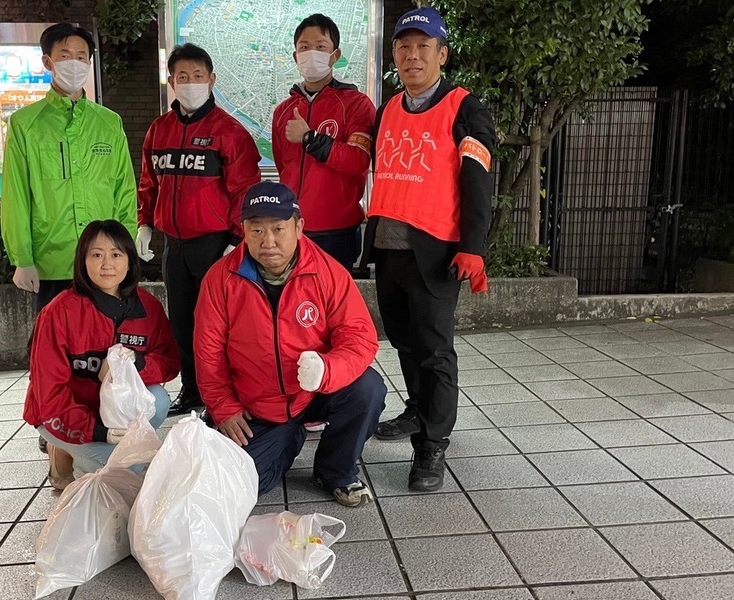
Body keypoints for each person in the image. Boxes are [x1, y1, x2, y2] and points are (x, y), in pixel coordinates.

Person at [362, 7, 495, 492]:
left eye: (423, 47)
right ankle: (418, 411)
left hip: (435, 251)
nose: (412, 55)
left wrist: (474, 247)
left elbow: (478, 182)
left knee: (435, 351)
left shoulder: (464, 108)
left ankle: (432, 446)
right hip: (388, 247)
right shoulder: (389, 108)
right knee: (402, 339)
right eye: (403, 47)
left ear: (441, 54)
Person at [194, 181, 386, 508]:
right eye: (256, 231)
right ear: (243, 230)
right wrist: (223, 407)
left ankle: (336, 471)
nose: (267, 241)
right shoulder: (220, 279)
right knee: (245, 487)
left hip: (314, 391)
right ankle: (288, 437)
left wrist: (327, 370)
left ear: (299, 228)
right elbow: (208, 352)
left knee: (368, 388)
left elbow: (360, 337)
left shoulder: (328, 272)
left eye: (278, 229)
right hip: (259, 402)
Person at [136, 43, 261, 416]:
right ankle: (192, 392)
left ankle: (221, 396)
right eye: (182, 77)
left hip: (214, 243)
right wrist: (144, 224)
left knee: (218, 325)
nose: (190, 83)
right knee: (183, 323)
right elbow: (148, 183)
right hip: (174, 244)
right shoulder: (159, 130)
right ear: (171, 81)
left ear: (212, 80)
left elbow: (245, 189)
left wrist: (237, 239)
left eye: (198, 76)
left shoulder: (230, 132)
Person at [24, 220, 179, 489]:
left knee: (159, 399)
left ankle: (94, 455)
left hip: (116, 414)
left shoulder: (148, 307)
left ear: (130, 261)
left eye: (116, 255)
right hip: (66, 416)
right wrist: (97, 432)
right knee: (120, 474)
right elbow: (48, 392)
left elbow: (169, 362)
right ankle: (62, 451)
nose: (107, 264)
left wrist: (137, 364)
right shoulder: (59, 313)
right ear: (82, 261)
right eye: (96, 255)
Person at [1, 22, 138, 315]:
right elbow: (16, 195)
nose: (73, 63)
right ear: (47, 62)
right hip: (52, 259)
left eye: (80, 56)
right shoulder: (26, 124)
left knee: (108, 347)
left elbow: (124, 190)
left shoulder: (108, 122)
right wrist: (22, 258)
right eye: (64, 55)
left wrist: (126, 252)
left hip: (105, 262)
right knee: (55, 346)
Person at [272, 13, 375, 271]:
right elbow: (283, 167)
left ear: (335, 55)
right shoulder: (283, 111)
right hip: (291, 227)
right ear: (295, 56)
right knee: (293, 307)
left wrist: (310, 139)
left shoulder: (355, 104)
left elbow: (358, 160)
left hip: (337, 232)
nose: (311, 53)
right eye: (304, 48)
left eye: (321, 47)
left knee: (334, 308)